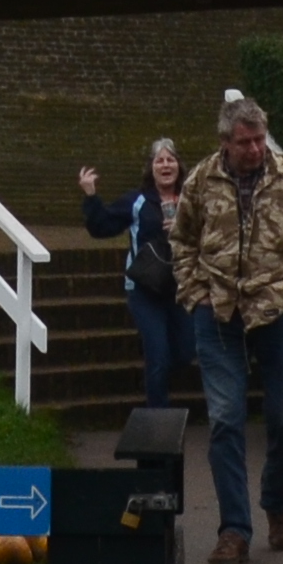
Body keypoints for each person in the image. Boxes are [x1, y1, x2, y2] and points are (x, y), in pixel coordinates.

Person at [171, 90, 283, 564]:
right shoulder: (201, 181)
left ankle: (277, 502)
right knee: (224, 421)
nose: (256, 150)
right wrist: (194, 292)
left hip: (280, 312)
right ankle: (234, 531)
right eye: (245, 142)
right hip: (217, 313)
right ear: (226, 141)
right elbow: (181, 241)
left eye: (260, 139)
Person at [74, 138, 186, 414]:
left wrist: (184, 227)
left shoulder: (192, 199)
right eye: (159, 160)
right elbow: (102, 226)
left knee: (185, 352)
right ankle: (158, 422)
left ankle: (158, 380)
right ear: (151, 167)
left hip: (182, 289)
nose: (165, 165)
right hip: (144, 289)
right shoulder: (136, 201)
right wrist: (91, 196)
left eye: (170, 159)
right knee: (157, 358)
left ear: (179, 166)